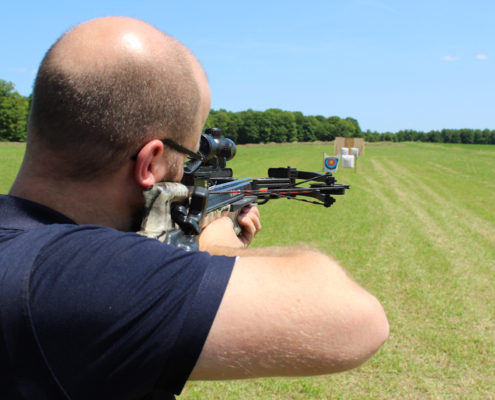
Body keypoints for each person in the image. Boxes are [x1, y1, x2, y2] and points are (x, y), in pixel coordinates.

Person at [0, 16, 389, 400]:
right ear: (150, 164)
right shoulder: (78, 279)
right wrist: (215, 244)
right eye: (187, 157)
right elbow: (359, 322)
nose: (186, 173)